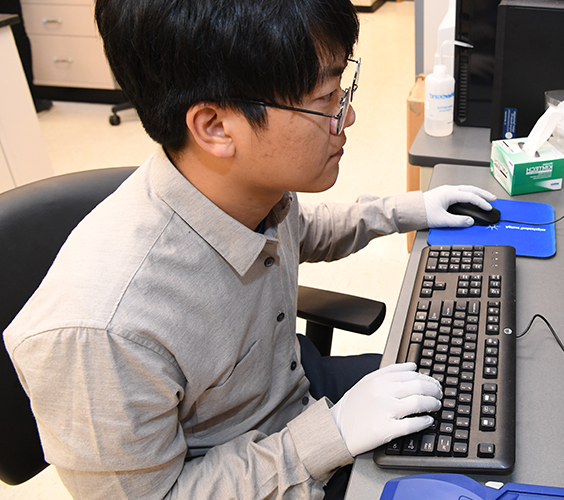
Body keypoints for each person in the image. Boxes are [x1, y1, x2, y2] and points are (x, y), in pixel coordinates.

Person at [2, 0, 497, 498]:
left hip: (291, 385)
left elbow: (301, 229)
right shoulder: (101, 331)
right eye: (325, 99)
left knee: (478, 398)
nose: (347, 117)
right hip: (256, 470)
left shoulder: (247, 188)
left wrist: (405, 210)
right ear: (215, 128)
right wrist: (334, 435)